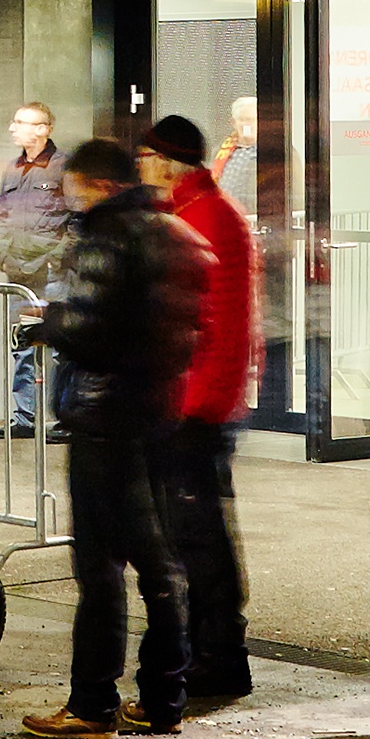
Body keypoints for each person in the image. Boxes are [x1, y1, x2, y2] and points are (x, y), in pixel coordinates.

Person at [17, 137, 203, 739]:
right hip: (158, 414)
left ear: (94, 183)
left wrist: (47, 323)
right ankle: (163, 697)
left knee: (98, 568)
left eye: (73, 184)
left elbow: (93, 330)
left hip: (104, 420)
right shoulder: (172, 233)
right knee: (159, 563)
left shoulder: (105, 238)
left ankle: (92, 704)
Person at [140, 113, 256, 705]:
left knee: (200, 538)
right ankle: (204, 649)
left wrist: (193, 406)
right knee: (191, 535)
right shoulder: (195, 212)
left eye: (145, 158)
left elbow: (217, 327)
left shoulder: (205, 217)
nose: (140, 167)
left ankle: (220, 658)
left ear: (165, 162)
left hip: (195, 407)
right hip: (191, 401)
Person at [0, 102, 73, 435]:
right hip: (21, 273)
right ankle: (25, 418)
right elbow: (2, 215)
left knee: (59, 347)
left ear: (44, 128)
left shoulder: (62, 167)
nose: (13, 128)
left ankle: (66, 418)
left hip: (51, 273)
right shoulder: (13, 168)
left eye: (21, 122)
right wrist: (1, 254)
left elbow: (76, 216)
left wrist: (59, 255)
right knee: (22, 344)